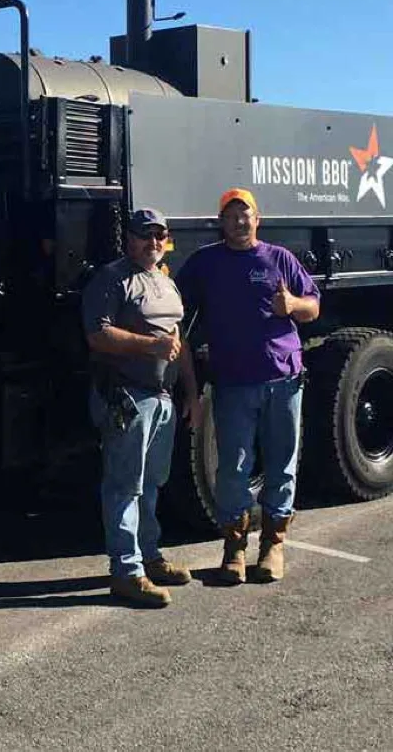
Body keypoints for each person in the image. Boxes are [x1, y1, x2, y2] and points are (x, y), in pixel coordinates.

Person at [175, 188, 320, 585]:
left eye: (246, 215)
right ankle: (234, 550)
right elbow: (177, 314)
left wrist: (292, 305)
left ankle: (273, 546)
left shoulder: (279, 259)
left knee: (281, 465)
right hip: (233, 384)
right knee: (233, 470)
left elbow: (313, 306)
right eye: (231, 216)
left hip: (284, 381)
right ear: (221, 222)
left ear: (258, 219)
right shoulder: (205, 263)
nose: (239, 222)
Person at [82, 207, 202, 608]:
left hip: (162, 398)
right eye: (144, 235)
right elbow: (98, 335)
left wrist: (190, 391)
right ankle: (127, 572)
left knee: (151, 484)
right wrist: (150, 346)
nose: (152, 242)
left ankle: (150, 557)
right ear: (129, 239)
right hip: (127, 397)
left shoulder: (164, 281)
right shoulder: (112, 278)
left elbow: (177, 340)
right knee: (124, 486)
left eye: (159, 236)